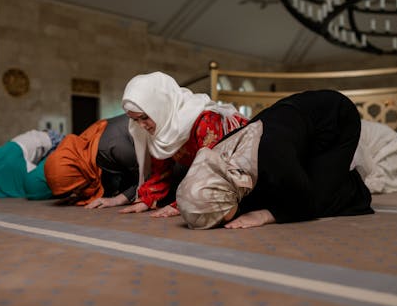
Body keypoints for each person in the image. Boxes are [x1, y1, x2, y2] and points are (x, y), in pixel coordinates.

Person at [177, 89, 374, 230]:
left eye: (218, 220)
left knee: (317, 199)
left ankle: (354, 187)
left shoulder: (274, 159)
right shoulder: (216, 157)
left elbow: (305, 202)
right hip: (291, 121)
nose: (222, 224)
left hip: (335, 118)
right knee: (269, 191)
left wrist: (265, 215)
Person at [120, 71, 249, 217]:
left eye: (143, 117)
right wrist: (146, 200)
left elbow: (212, 171)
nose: (141, 126)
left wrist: (180, 204)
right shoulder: (162, 124)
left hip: (243, 171)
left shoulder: (204, 120)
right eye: (135, 120)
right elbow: (161, 172)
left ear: (160, 106)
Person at [44, 114, 139, 207]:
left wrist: (118, 200)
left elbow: (147, 176)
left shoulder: (111, 148)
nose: (77, 192)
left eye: (76, 188)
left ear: (78, 171)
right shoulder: (87, 150)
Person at [0, 129, 63, 200]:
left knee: (37, 183)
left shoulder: (18, 164)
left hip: (52, 141)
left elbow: (36, 181)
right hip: (35, 138)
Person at [351, 120, 397, 194]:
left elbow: (365, 162)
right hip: (373, 146)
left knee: (370, 183)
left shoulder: (350, 133)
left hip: (389, 145)